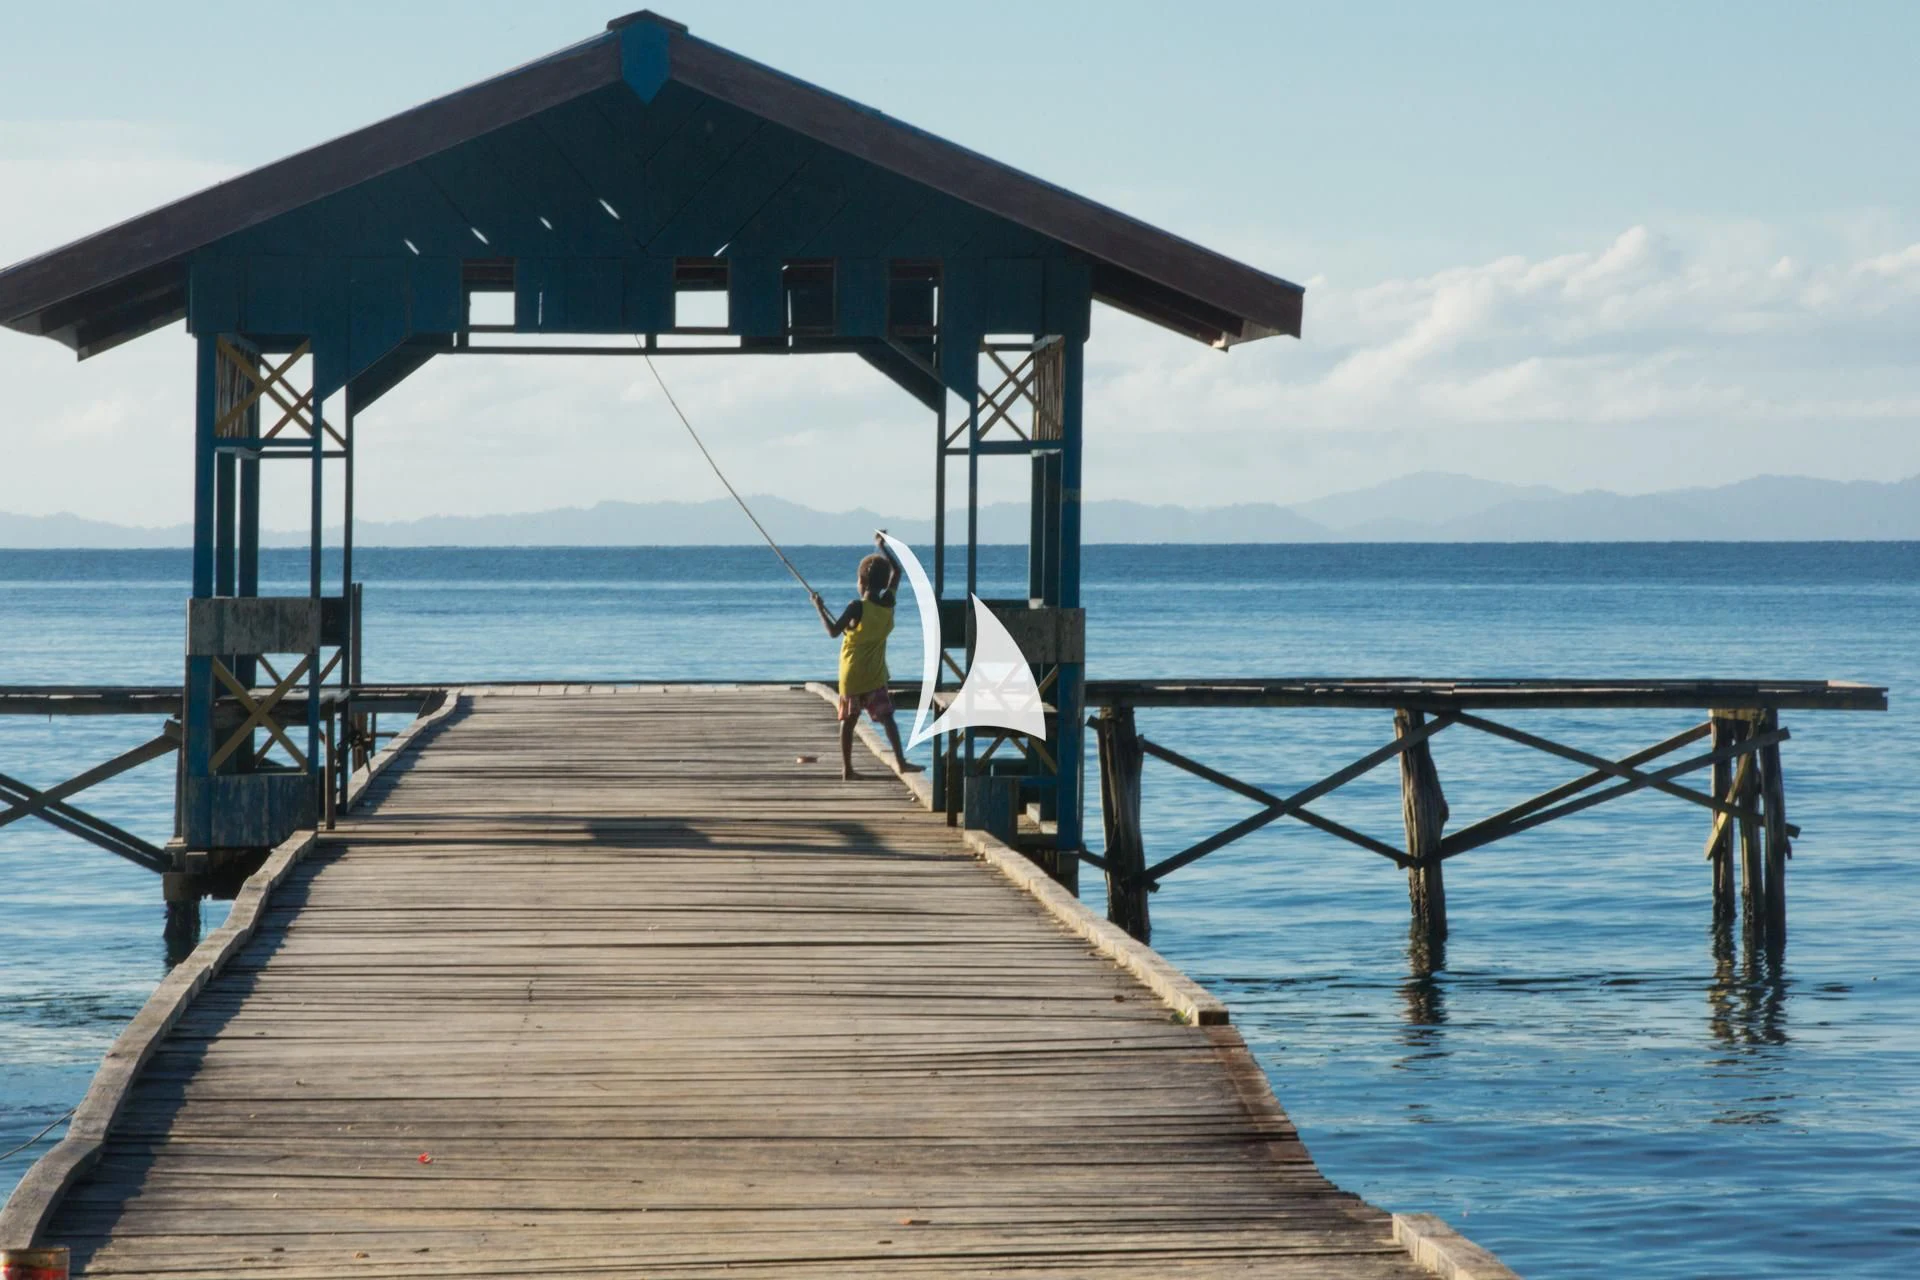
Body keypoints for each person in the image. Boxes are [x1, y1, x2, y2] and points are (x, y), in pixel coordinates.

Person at [813, 533, 921, 780]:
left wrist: (819, 607)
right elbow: (898, 572)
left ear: (861, 581)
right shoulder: (887, 604)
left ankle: (847, 769)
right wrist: (882, 547)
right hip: (874, 675)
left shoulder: (856, 606)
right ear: (883, 583)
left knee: (849, 721)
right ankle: (901, 762)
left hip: (851, 675)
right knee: (887, 718)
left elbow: (832, 631)